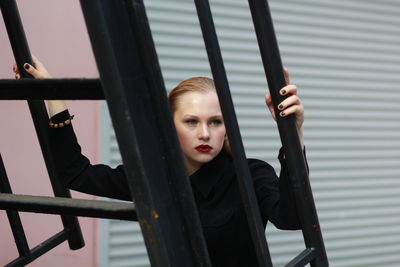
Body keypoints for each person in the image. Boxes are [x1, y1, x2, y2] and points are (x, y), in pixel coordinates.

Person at [13, 57, 305, 267]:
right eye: (191, 121)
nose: (205, 133)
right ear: (170, 125)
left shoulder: (250, 173)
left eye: (215, 122)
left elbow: (291, 219)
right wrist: (55, 102)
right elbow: (76, 174)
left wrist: (293, 135)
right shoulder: (154, 176)